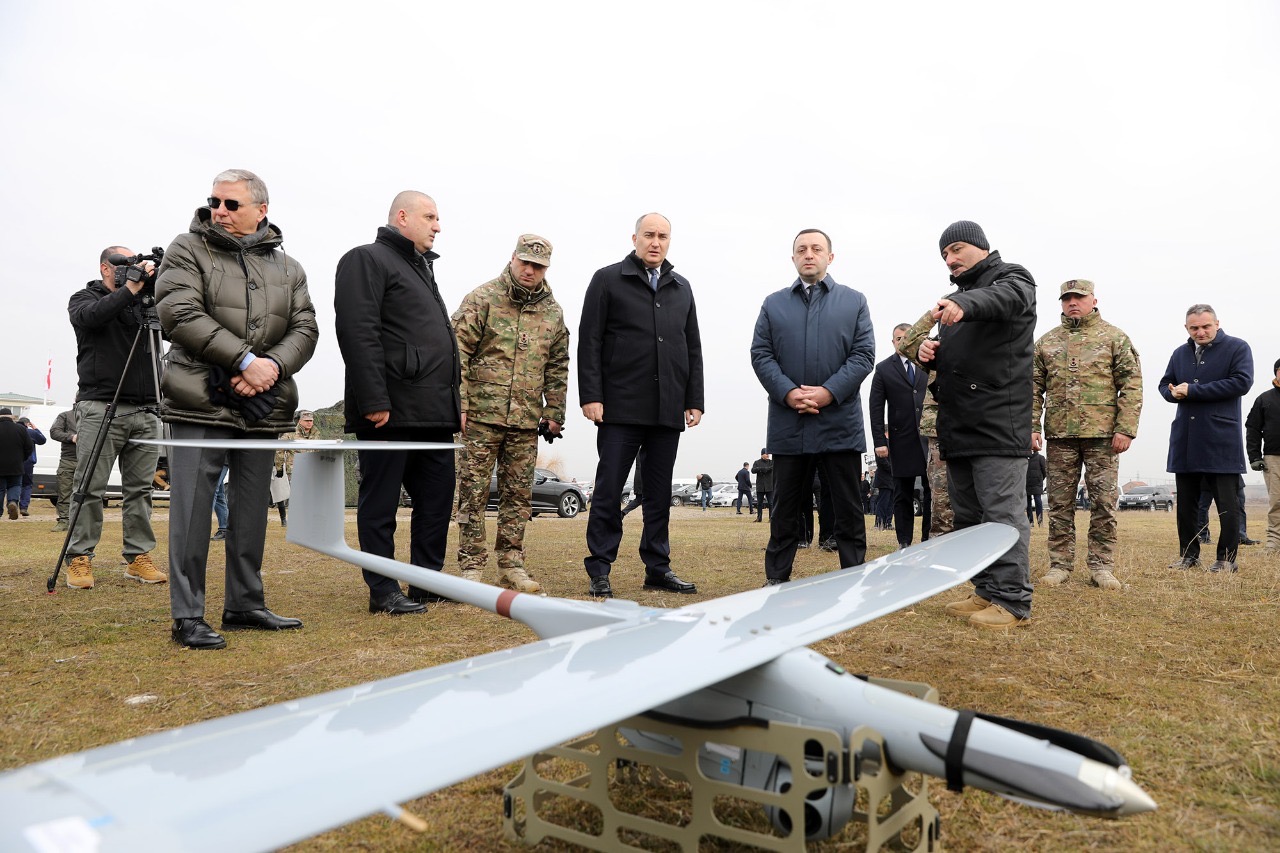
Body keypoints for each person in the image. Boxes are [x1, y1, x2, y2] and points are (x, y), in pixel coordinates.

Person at [155, 168, 318, 649]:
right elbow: (179, 313)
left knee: (250, 509)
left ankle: (245, 604)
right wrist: (246, 361)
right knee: (192, 511)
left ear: (261, 210)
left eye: (231, 204)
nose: (219, 211)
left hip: (262, 404)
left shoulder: (288, 267)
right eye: (214, 202)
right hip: (198, 400)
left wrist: (272, 366)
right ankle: (188, 615)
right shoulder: (186, 249)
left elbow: (305, 328)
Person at [335, 190, 461, 615]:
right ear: (402, 217)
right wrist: (373, 398)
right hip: (388, 411)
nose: (438, 226)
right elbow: (358, 331)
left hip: (434, 413)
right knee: (381, 504)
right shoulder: (366, 259)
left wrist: (454, 403)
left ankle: (426, 582)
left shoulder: (421, 266)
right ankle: (383, 589)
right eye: (430, 217)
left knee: (437, 501)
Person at [916, 221, 1036, 629]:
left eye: (957, 249)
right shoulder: (956, 299)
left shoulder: (1012, 278)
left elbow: (1005, 298)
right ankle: (985, 590)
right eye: (944, 254)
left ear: (981, 247)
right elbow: (965, 355)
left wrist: (965, 304)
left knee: (1002, 516)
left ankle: (1012, 600)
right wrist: (931, 351)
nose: (950, 259)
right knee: (968, 518)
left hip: (998, 424)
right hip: (959, 424)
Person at [578, 213, 704, 598]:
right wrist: (591, 395)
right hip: (620, 406)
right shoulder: (607, 279)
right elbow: (589, 339)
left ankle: (658, 567)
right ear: (634, 238)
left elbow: (692, 347)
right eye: (649, 235)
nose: (655, 242)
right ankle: (600, 568)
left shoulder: (681, 287)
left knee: (658, 494)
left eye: (662, 236)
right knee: (609, 489)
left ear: (669, 241)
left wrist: (694, 399)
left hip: (667, 409)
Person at [751, 228, 875, 585]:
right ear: (793, 257)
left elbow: (863, 355)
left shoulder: (854, 301)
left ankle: (854, 577)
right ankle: (776, 579)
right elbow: (761, 354)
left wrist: (828, 392)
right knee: (785, 507)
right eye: (802, 249)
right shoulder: (773, 304)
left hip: (839, 421)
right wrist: (789, 393)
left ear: (829, 257)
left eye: (816, 249)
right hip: (789, 423)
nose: (809, 254)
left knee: (848, 507)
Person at [453, 234, 569, 594]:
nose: (530, 271)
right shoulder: (482, 298)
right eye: (525, 263)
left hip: (525, 421)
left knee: (518, 497)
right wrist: (460, 404)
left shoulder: (552, 312)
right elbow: (457, 353)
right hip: (480, 418)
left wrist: (555, 410)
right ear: (513, 258)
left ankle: (511, 565)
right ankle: (471, 565)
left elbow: (558, 364)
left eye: (538, 266)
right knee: (472, 493)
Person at [64, 246, 168, 590]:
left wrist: (163, 288)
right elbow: (91, 318)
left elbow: (174, 330)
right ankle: (79, 557)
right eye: (125, 265)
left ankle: (138, 556)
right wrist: (130, 290)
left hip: (147, 408)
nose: (132, 270)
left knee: (140, 490)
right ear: (106, 268)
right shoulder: (85, 298)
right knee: (89, 487)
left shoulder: (145, 304)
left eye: (136, 265)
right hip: (101, 405)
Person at [1032, 279, 1143, 591]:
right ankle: (1060, 565)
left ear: (1093, 300)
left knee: (1104, 503)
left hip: (1103, 437)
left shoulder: (1114, 338)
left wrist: (1125, 428)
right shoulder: (1047, 342)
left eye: (1079, 297)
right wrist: (1032, 426)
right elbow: (1032, 389)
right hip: (1060, 436)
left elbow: (1131, 384)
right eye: (1067, 298)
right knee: (1059, 504)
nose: (1072, 303)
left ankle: (1101, 566)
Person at [1159, 304, 1253, 573]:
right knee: (1186, 505)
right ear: (1186, 328)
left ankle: (1226, 559)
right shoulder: (1180, 353)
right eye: (1194, 328)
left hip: (1220, 438)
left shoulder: (1237, 348)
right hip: (1186, 439)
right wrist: (1171, 392)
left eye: (1205, 326)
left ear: (1217, 324)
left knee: (1227, 504)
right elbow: (1164, 384)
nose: (1200, 332)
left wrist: (1193, 391)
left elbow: (1242, 382)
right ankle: (1189, 556)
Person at [869, 323, 931, 548]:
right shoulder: (884, 369)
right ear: (893, 342)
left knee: (932, 491)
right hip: (900, 441)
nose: (903, 342)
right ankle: (904, 542)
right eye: (898, 338)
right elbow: (876, 408)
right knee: (902, 493)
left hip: (928, 438)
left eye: (907, 337)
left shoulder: (929, 363)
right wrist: (879, 441)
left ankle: (928, 540)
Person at [898, 307, 954, 537]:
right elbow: (907, 344)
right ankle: (941, 549)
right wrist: (933, 315)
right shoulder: (935, 349)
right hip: (940, 432)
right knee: (941, 504)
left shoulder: (980, 342)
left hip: (976, 430)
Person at [1246, 357, 1280, 552]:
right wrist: (1254, 456)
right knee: (1277, 502)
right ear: (1276, 372)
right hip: (1273, 459)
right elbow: (1252, 429)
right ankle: (1274, 542)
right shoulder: (1264, 399)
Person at [271, 410, 320, 528]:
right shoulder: (291, 433)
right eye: (307, 421)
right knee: (298, 496)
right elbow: (280, 449)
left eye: (311, 420)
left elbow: (318, 450)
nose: (309, 423)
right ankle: (297, 520)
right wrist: (279, 467)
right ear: (300, 421)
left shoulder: (316, 433)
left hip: (311, 469)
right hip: (295, 469)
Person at [1, 408, 34, 519]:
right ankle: (13, 502)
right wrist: (22, 458)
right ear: (11, 417)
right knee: (15, 485)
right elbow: (29, 447)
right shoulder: (21, 429)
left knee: (0, 488)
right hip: (16, 465)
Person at [48, 407, 78, 531]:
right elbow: (54, 432)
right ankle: (64, 520)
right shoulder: (65, 416)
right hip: (68, 460)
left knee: (89, 493)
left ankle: (86, 522)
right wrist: (71, 437)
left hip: (89, 460)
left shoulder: (95, 416)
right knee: (65, 492)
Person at [17, 417, 46, 516]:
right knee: (26, 485)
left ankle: (12, 503)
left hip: (13, 462)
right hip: (28, 463)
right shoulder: (31, 433)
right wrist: (35, 429)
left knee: (14, 484)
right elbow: (42, 440)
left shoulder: (13, 431)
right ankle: (23, 507)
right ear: (27, 424)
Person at [751, 449, 774, 522]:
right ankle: (759, 518)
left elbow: (771, 468)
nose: (768, 455)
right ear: (762, 455)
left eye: (768, 454)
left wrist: (761, 469)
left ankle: (771, 518)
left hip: (769, 486)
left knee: (771, 503)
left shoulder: (771, 462)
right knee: (759, 504)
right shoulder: (757, 462)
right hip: (760, 486)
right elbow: (753, 470)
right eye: (766, 454)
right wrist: (761, 469)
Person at [1026, 451, 1046, 528]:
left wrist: (1040, 479)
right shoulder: (1025, 458)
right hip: (1026, 483)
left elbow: (1044, 471)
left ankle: (1040, 521)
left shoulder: (1041, 458)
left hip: (1037, 483)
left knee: (1038, 501)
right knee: (1027, 503)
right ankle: (1030, 521)